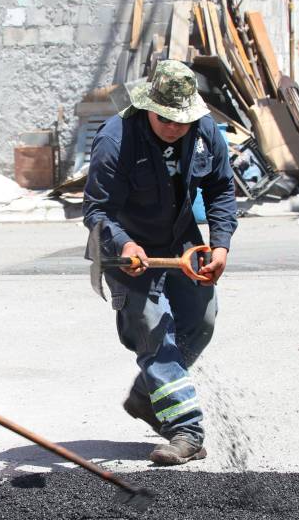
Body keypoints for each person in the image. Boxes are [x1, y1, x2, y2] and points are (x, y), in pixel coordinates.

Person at [83, 60, 238, 466]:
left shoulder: (204, 131)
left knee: (201, 321)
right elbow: (96, 212)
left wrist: (219, 245)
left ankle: (147, 397)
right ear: (149, 106)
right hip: (124, 247)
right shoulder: (116, 138)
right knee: (154, 330)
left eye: (181, 121)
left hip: (181, 242)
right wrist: (126, 244)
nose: (173, 127)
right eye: (165, 119)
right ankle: (186, 429)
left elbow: (221, 189)